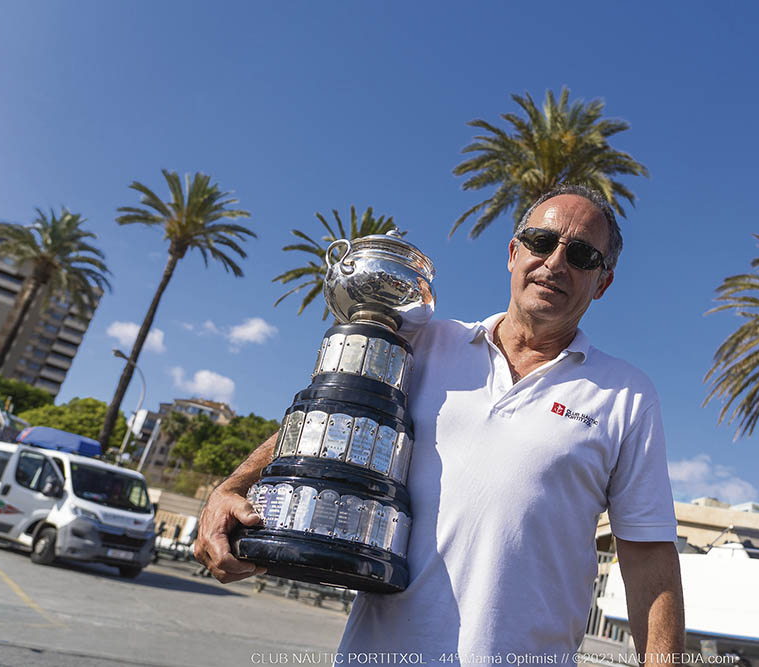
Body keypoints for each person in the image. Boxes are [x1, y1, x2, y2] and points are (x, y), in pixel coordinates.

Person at [195, 185, 685, 662]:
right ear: (514, 252)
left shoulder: (627, 396)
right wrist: (231, 486)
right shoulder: (426, 345)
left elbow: (648, 560)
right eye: (540, 242)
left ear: (603, 281)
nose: (555, 263)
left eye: (581, 255)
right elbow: (332, 418)